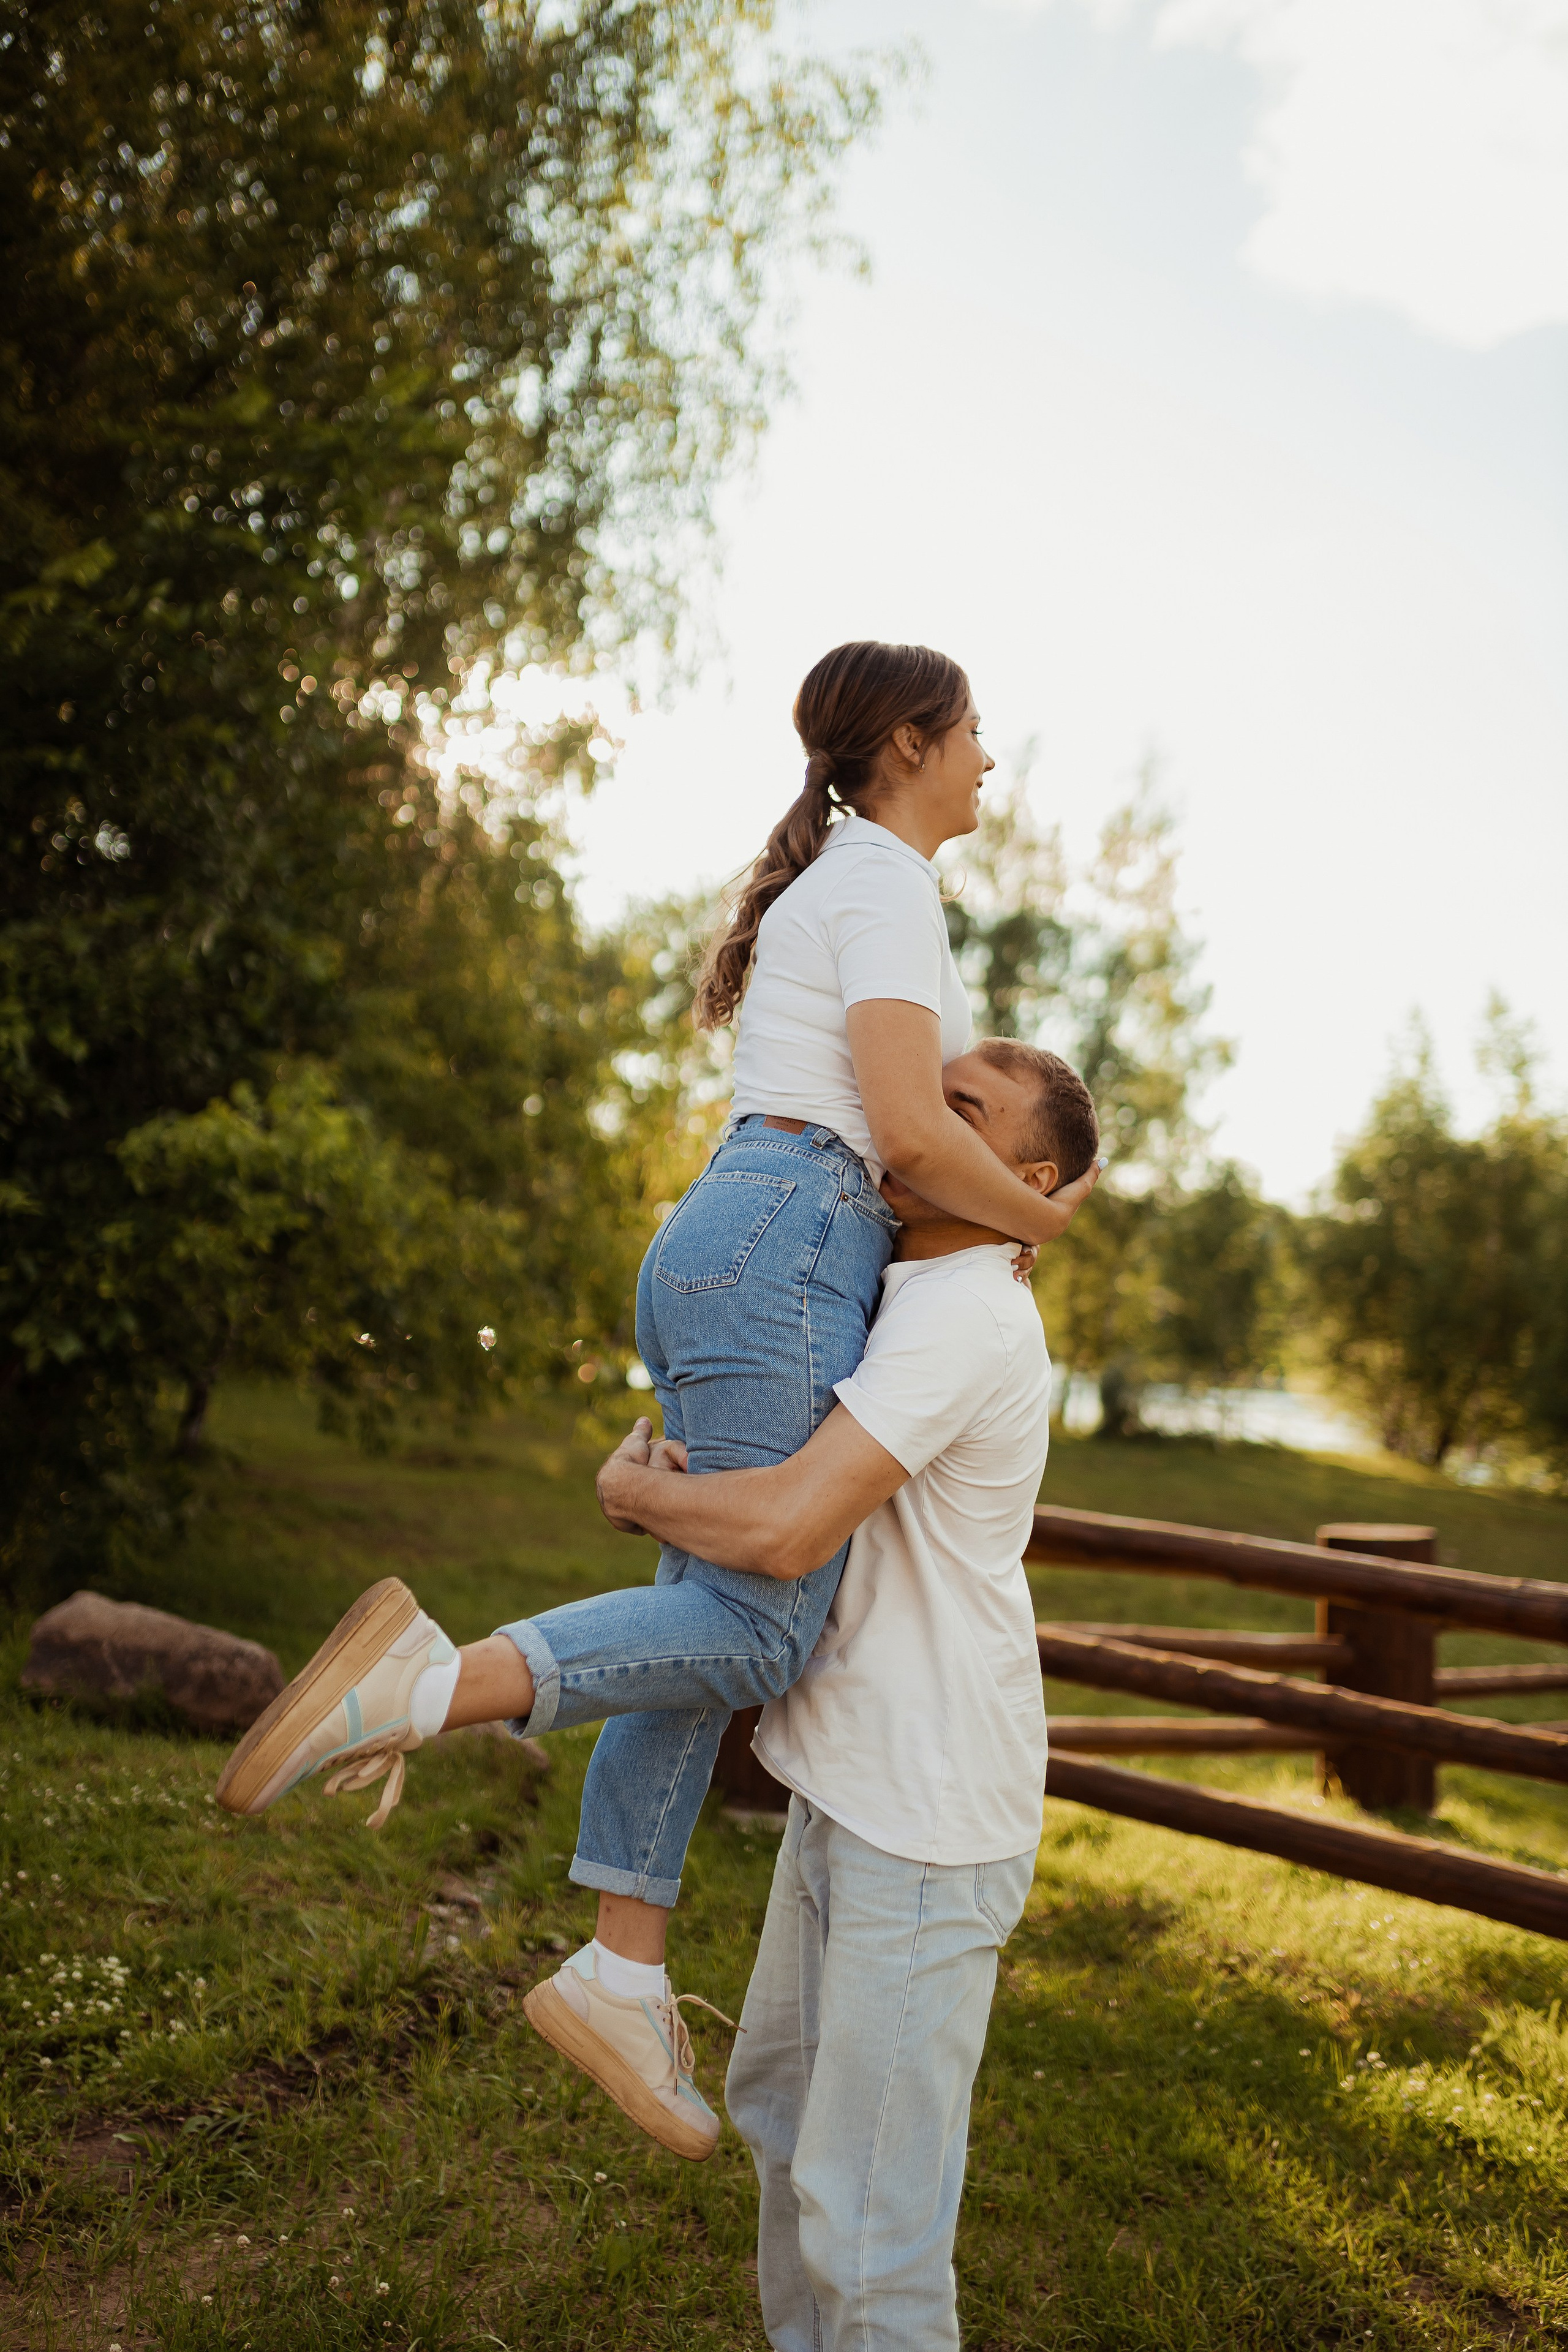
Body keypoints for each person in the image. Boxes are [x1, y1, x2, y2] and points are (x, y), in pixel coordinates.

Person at [216, 643, 1098, 2159]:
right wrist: (1046, 1218)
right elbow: (897, 1122)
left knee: (703, 1618)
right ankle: (419, 1687)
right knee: (758, 1623)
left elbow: (884, 1123)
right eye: (972, 734)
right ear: (906, 741)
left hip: (742, 1233)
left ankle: (623, 1972)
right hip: (790, 1238)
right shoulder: (886, 879)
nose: (988, 762)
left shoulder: (850, 876)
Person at [592, 1038, 1096, 2352]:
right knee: (778, 2124)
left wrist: (642, 1495)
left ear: (1024, 1177)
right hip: (847, 1781)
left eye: (960, 1109)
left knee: (870, 2227)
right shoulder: (899, 1273)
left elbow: (783, 1532)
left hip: (926, 1814)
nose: (912, 1111)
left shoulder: (971, 1313)